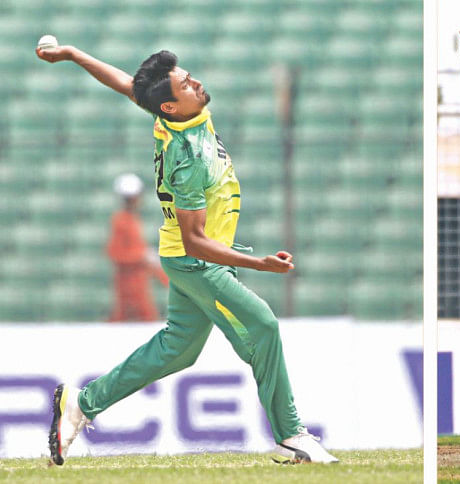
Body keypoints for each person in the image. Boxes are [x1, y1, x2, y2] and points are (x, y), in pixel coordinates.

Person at [36, 45, 338, 464]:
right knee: (263, 326)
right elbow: (195, 240)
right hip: (197, 262)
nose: (195, 82)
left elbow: (127, 85)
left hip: (182, 257)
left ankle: (81, 404)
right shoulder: (189, 156)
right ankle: (291, 435)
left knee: (178, 348)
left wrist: (72, 54)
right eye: (186, 84)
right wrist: (260, 264)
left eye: (188, 76)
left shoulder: (174, 115)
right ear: (170, 105)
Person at [106, 173, 169, 322]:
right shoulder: (121, 221)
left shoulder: (131, 220)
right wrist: (142, 256)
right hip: (129, 281)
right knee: (131, 318)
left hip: (138, 280)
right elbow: (115, 253)